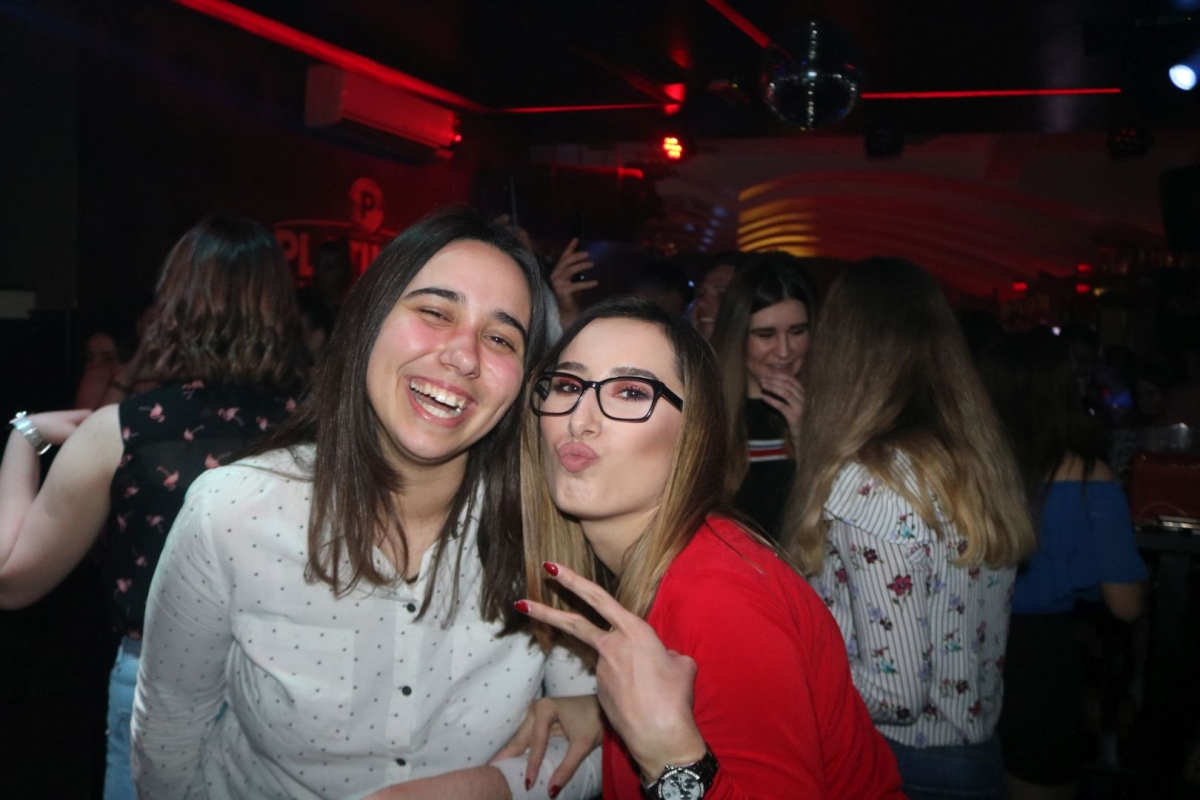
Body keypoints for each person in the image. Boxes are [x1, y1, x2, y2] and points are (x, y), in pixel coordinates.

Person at [131, 207, 601, 800]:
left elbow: (591, 743)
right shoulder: (232, 511)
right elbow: (169, 737)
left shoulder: (548, 525)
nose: (464, 356)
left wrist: (480, 789)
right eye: (435, 313)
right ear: (368, 320)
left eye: (500, 338)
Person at [516, 297, 905, 799]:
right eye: (568, 386)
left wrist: (671, 759)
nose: (579, 419)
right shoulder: (670, 567)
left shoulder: (717, 597)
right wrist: (605, 710)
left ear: (692, 433)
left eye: (631, 392)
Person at [0, 215, 309, 800]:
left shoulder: (125, 430)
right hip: (289, 683)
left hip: (157, 678)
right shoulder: (322, 426)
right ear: (279, 306)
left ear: (175, 304)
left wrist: (25, 435)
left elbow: (12, 580)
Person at [785, 257, 1037, 800]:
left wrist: (787, 660)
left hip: (905, 761)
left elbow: (894, 694)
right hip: (974, 753)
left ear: (843, 351)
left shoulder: (873, 481)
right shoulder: (973, 458)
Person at [979, 330, 1147, 800]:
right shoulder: (1090, 476)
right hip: (1045, 662)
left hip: (972, 649)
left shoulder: (969, 474)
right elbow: (1127, 604)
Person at [709, 253, 818, 541]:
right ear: (738, 335)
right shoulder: (707, 409)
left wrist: (805, 435)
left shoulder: (828, 404)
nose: (784, 351)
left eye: (797, 331)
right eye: (765, 334)